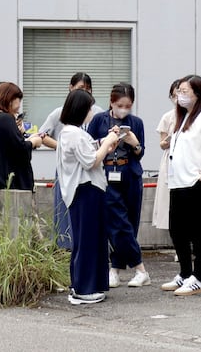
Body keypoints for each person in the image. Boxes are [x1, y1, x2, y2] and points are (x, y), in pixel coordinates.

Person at [161, 75, 201, 296]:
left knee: (198, 230)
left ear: (198, 93)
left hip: (196, 182)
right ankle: (185, 273)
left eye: (185, 91)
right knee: (177, 229)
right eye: (178, 91)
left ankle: (199, 277)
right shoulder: (183, 117)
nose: (180, 96)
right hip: (178, 182)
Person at [56, 89, 119, 305]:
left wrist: (106, 145)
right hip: (87, 190)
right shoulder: (73, 133)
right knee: (89, 239)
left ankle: (85, 285)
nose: (92, 111)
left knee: (87, 239)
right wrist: (108, 140)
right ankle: (84, 289)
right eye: (89, 107)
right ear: (81, 109)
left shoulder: (68, 132)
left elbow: (89, 154)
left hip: (83, 190)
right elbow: (91, 161)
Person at [87, 83, 150, 288]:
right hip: (106, 173)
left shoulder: (136, 122)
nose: (124, 109)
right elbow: (89, 146)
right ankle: (139, 269)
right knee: (117, 222)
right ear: (112, 102)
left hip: (129, 174)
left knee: (130, 222)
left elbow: (140, 153)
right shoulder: (99, 120)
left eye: (128, 105)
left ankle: (115, 269)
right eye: (120, 104)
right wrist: (107, 139)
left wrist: (134, 142)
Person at [40, 72, 104, 249]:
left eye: (88, 89)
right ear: (70, 88)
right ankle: (64, 245)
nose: (85, 92)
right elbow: (42, 136)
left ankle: (79, 247)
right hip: (70, 168)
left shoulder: (98, 113)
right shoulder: (61, 114)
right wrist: (63, 146)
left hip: (89, 172)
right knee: (64, 207)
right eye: (80, 88)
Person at [0, 82, 43, 195]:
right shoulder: (6, 119)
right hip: (10, 184)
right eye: (18, 99)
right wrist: (33, 142)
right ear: (9, 99)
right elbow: (20, 149)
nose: (19, 104)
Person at [153, 79, 181, 231]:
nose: (177, 99)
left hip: (187, 160)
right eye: (174, 96)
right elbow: (162, 143)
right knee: (168, 200)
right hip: (170, 159)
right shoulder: (167, 117)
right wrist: (171, 139)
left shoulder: (193, 116)